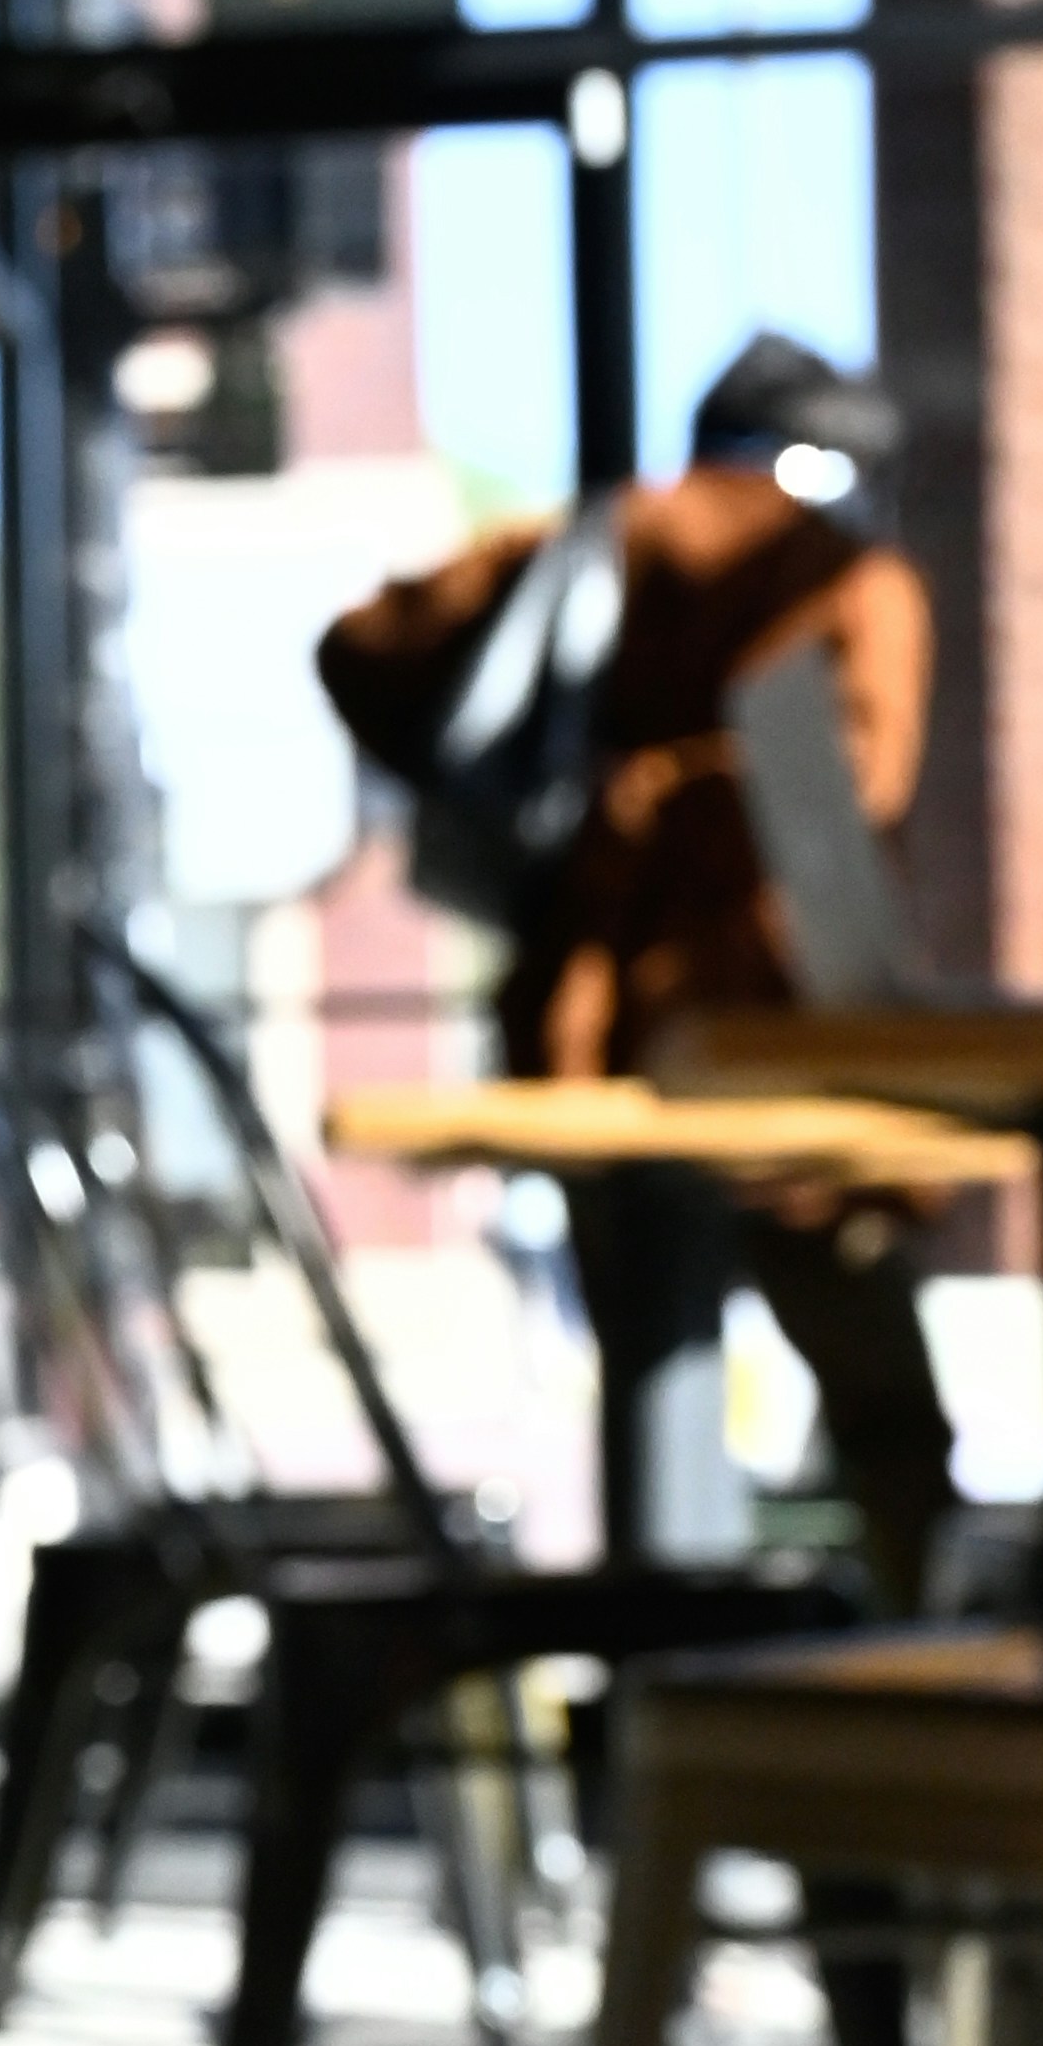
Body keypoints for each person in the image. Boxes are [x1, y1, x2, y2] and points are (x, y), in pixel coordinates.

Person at [317, 328, 955, 1609]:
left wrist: (539, 809)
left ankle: (661, 1676)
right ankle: (929, 1666)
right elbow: (856, 787)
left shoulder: (591, 543)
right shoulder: (836, 576)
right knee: (883, 1405)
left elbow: (359, 649)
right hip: (777, 1042)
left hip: (590, 1034)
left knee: (654, 1388)